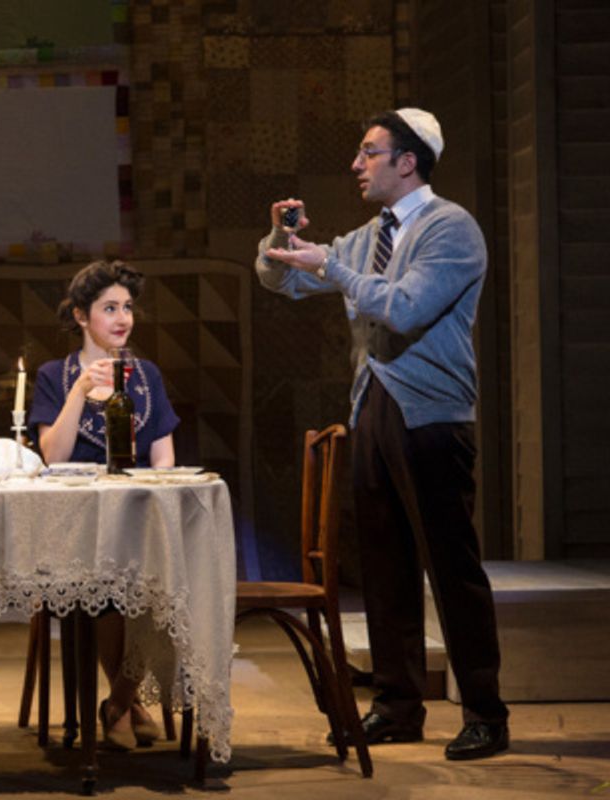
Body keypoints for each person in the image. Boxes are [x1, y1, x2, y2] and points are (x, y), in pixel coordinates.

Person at [255, 108, 510, 760]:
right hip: (372, 407)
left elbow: (405, 306)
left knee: (450, 566)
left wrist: (332, 267)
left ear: (408, 160)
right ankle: (397, 703)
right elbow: (283, 281)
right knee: (383, 564)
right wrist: (278, 237)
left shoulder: (451, 229)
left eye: (369, 152)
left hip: (431, 416)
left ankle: (485, 710)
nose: (356, 164)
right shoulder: (372, 234)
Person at [28, 259, 180, 750]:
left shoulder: (146, 375)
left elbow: (164, 459)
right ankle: (126, 701)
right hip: (78, 527)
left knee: (157, 585)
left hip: (139, 517)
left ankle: (117, 700)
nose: (122, 318)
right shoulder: (56, 375)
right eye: (109, 308)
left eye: (128, 307)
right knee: (113, 586)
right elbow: (53, 454)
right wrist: (78, 391)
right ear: (80, 316)